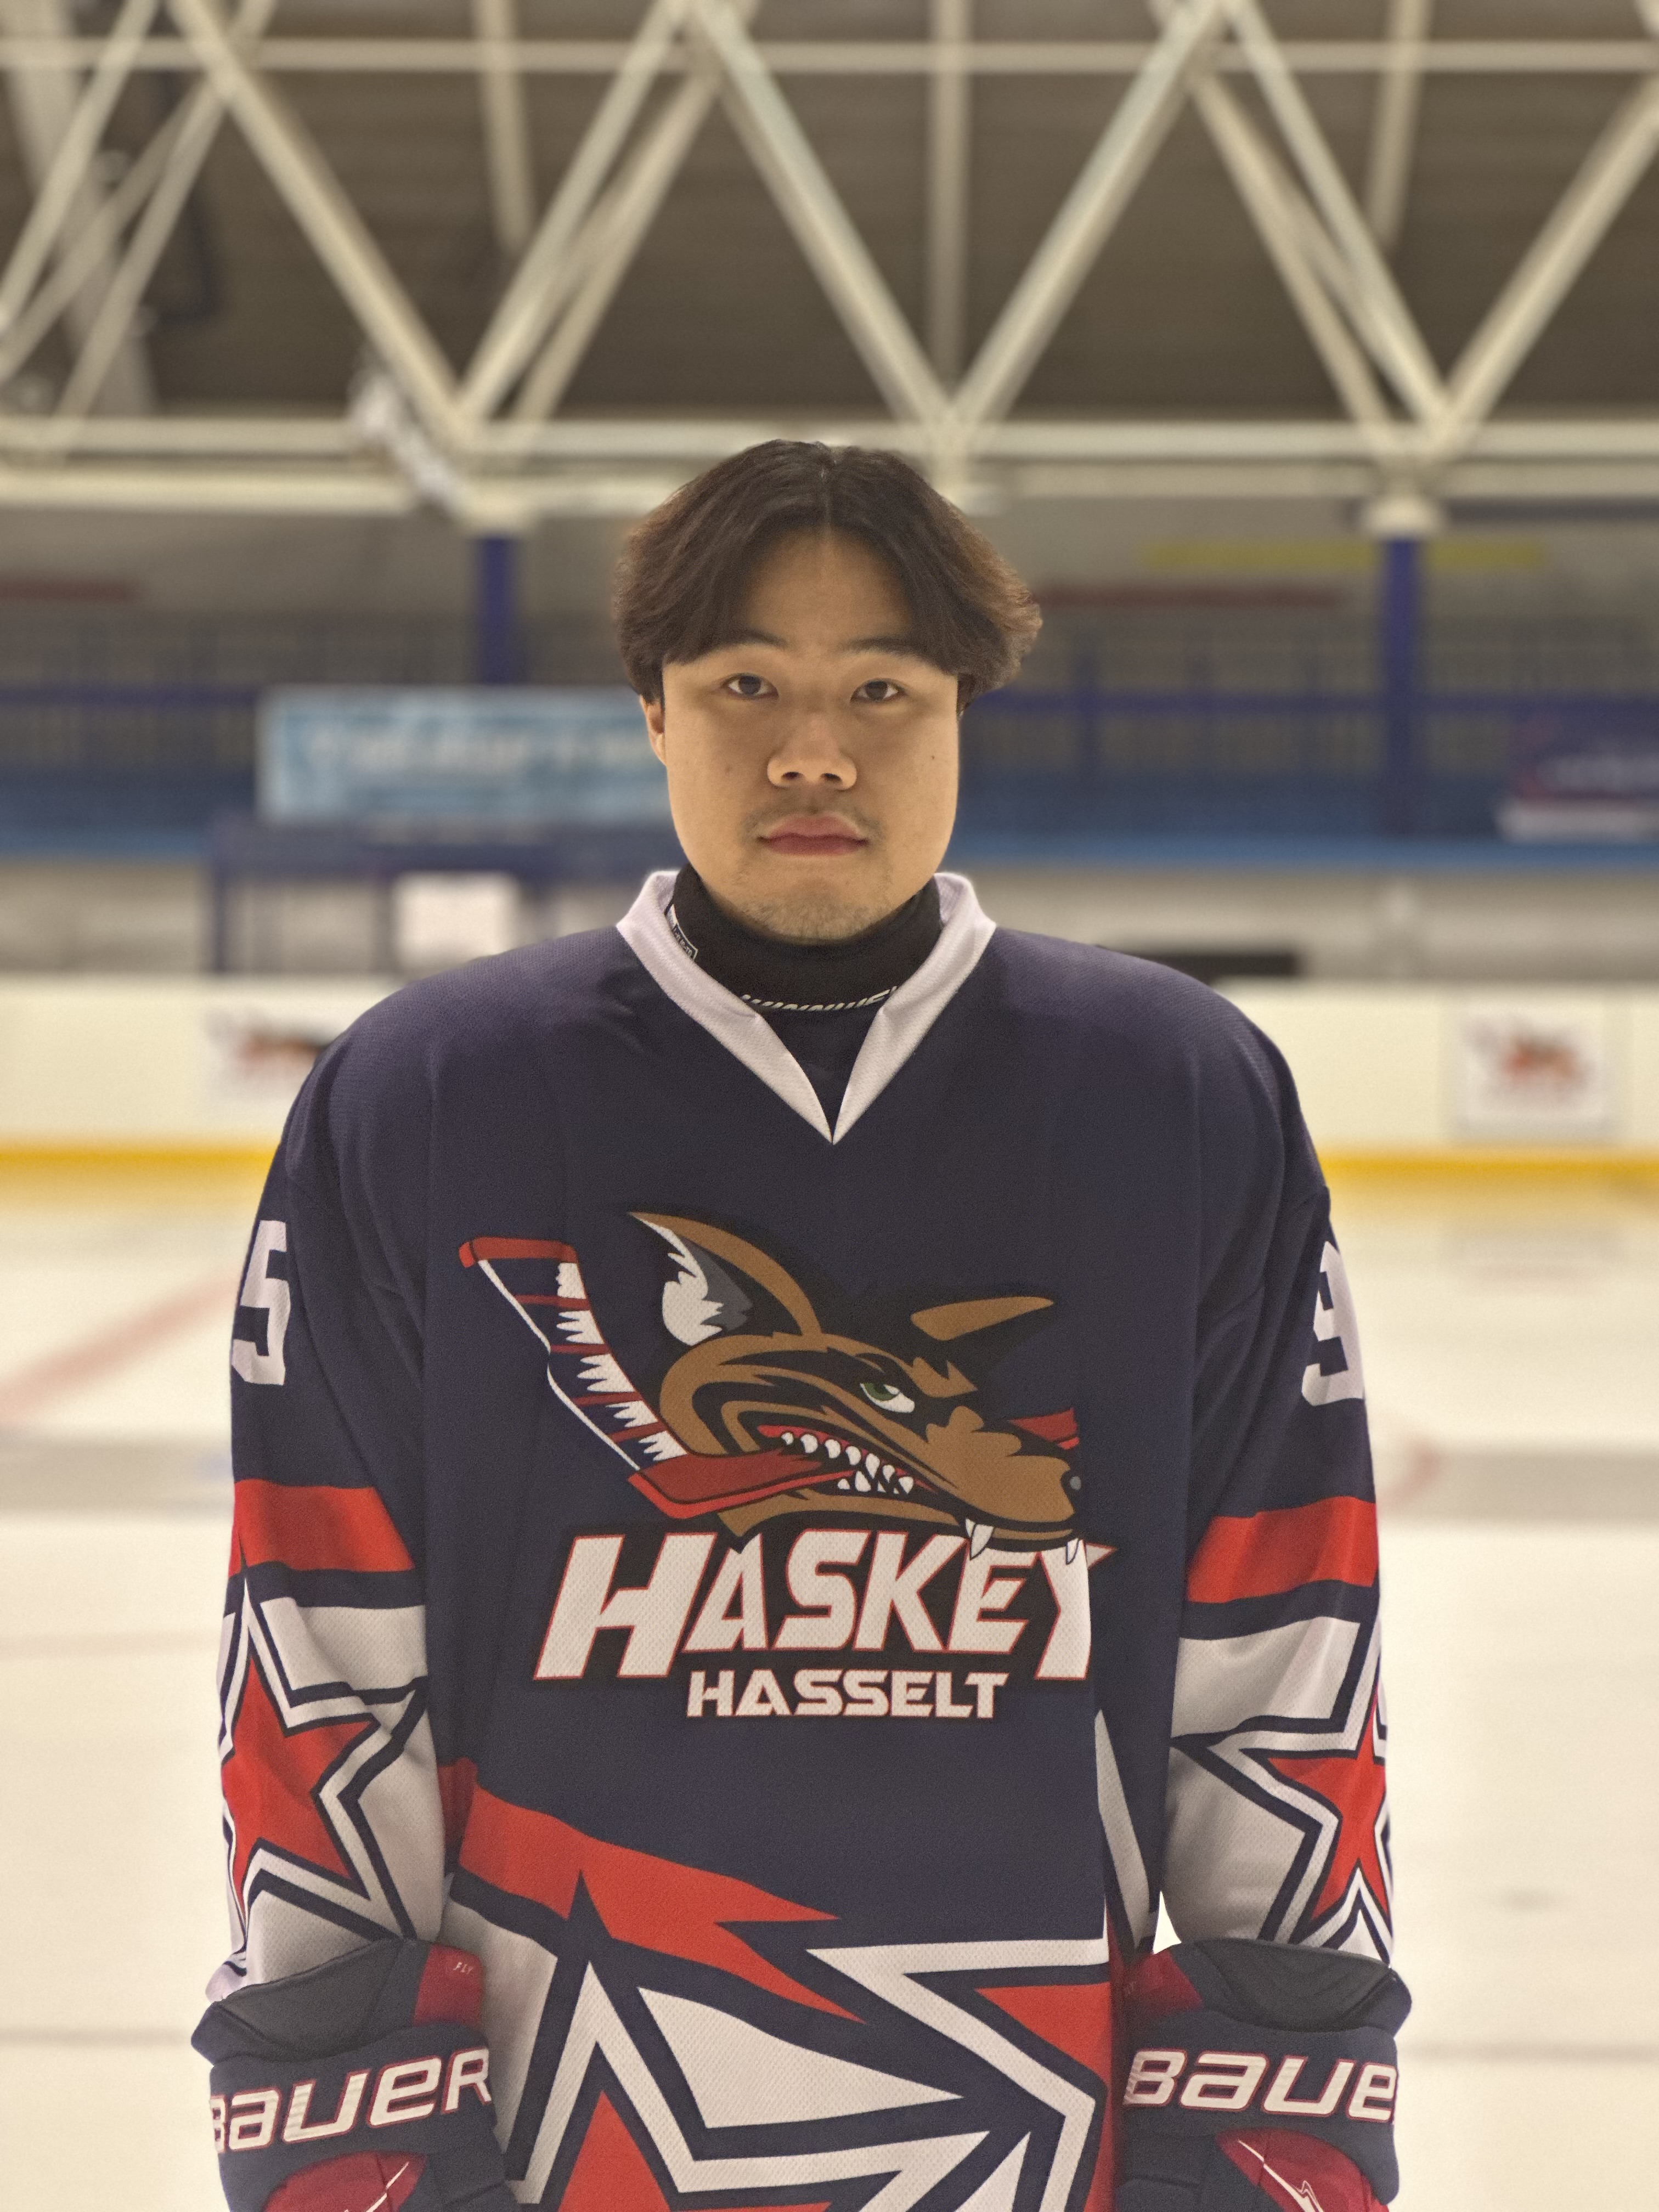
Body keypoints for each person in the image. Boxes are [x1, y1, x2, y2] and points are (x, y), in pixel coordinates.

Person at [195, 442, 1407, 2212]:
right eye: (747, 685)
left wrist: (1270, 2135)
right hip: (557, 2137)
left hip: (1030, 2144)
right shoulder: (429, 1099)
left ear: (966, 708)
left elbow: (1285, 1657)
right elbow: (321, 1652)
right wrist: (346, 2139)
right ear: (654, 712)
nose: (815, 751)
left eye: (883, 691)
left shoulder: (1177, 1098)